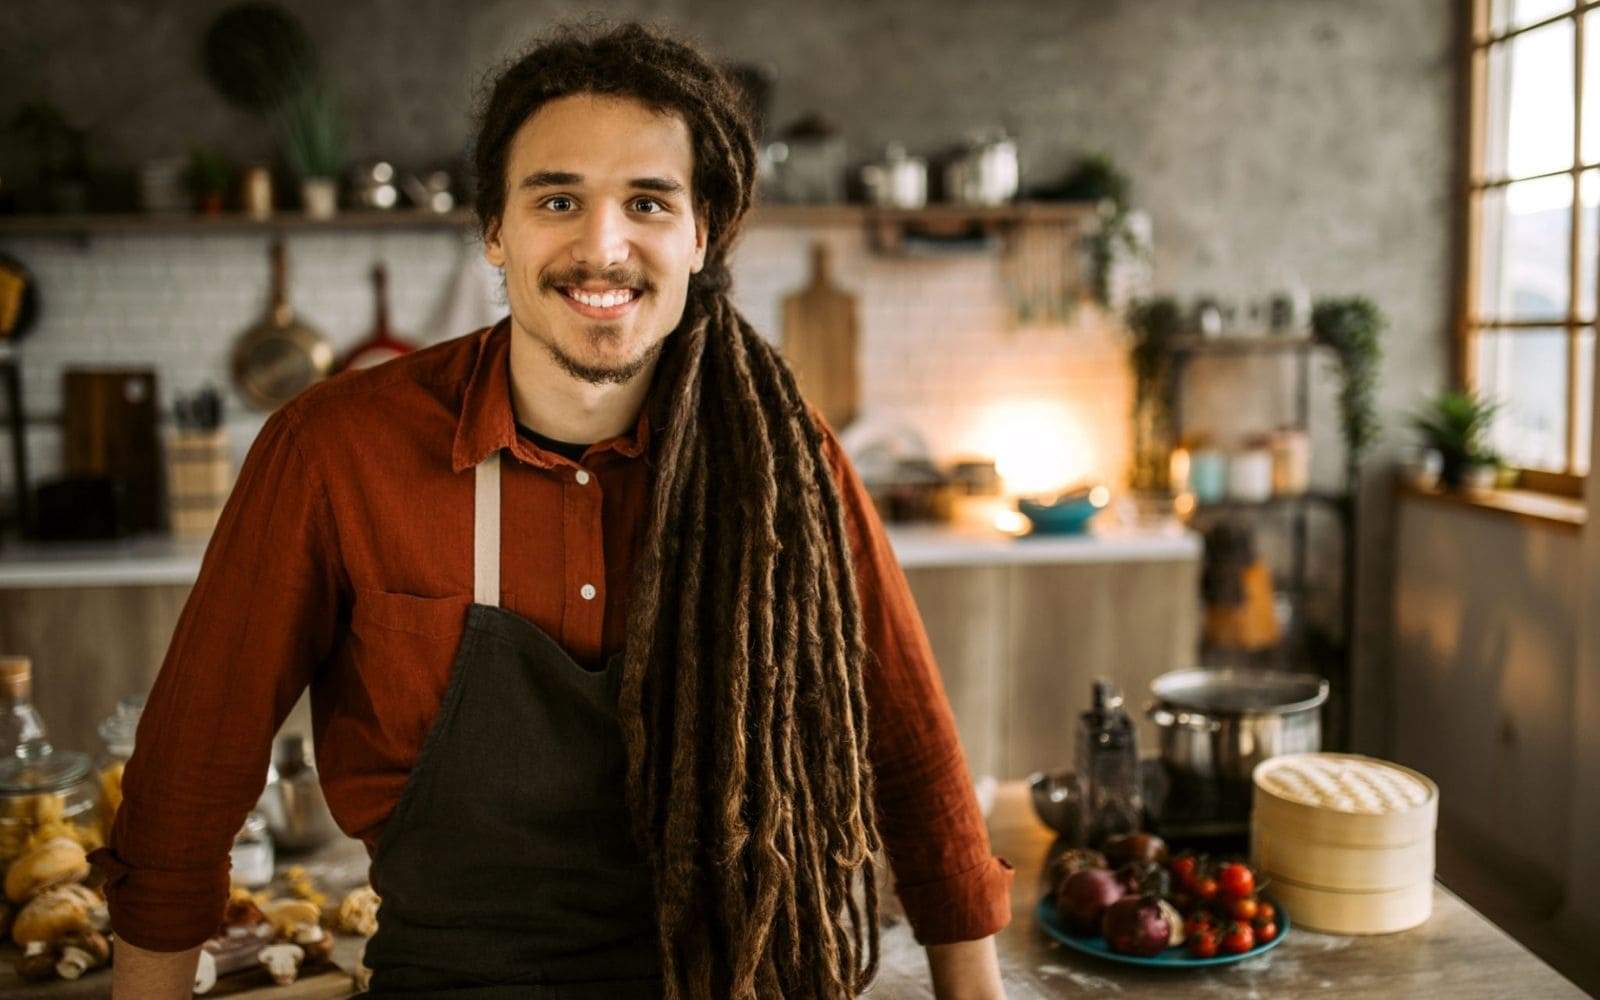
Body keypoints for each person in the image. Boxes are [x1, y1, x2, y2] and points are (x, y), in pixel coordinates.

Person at [90, 20, 1012, 1000]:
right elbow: (193, 774)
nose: (602, 248)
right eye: (558, 199)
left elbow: (911, 753)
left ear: (702, 233)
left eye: (647, 202)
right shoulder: (334, 453)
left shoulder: (785, 460)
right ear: (496, 228)